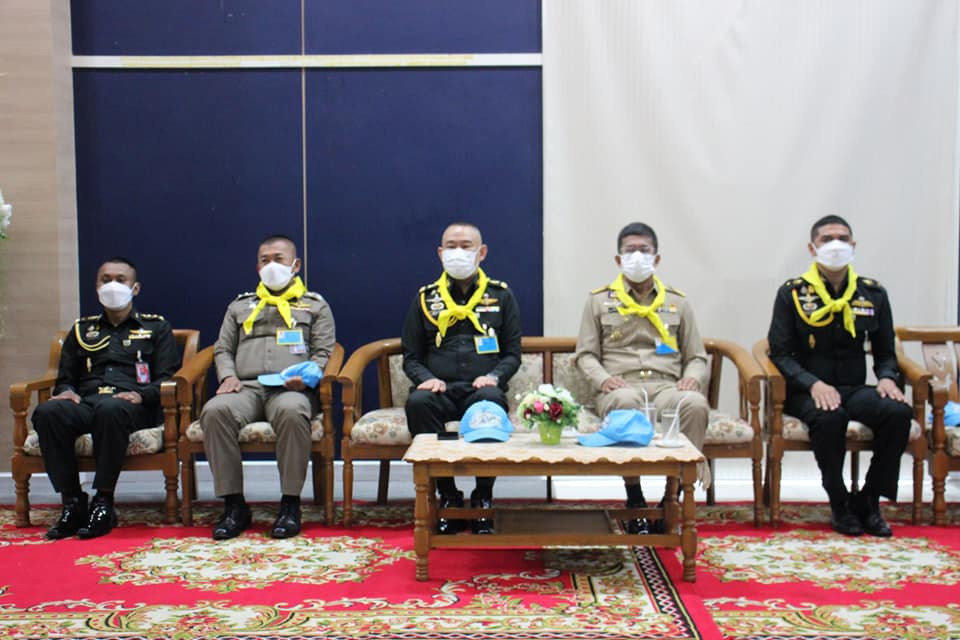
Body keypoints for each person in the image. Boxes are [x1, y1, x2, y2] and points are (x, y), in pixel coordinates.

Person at [767, 215, 911, 537]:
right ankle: (839, 501)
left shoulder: (872, 293)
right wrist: (813, 384)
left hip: (853, 387)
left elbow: (886, 351)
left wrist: (887, 377)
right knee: (830, 417)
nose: (836, 245)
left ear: (853, 245)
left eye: (843, 239)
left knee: (898, 412)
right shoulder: (792, 294)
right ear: (812, 248)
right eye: (827, 239)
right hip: (806, 391)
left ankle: (869, 499)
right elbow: (780, 353)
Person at [575, 222, 710, 534]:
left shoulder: (678, 302)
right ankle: (634, 498)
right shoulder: (599, 300)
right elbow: (585, 354)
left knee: (694, 404)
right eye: (630, 251)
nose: (637, 256)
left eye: (644, 250)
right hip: (620, 385)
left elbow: (697, 356)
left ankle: (671, 497)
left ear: (656, 258)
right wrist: (603, 380)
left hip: (666, 386)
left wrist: (692, 378)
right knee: (626, 402)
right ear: (618, 259)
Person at [32, 257, 179, 540]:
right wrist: (66, 392)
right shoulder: (81, 330)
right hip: (87, 403)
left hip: (133, 406)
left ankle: (103, 501)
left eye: (120, 280)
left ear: (135, 288)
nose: (113, 285)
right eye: (106, 279)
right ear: (97, 286)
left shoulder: (156, 328)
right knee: (48, 412)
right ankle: (73, 502)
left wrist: (141, 395)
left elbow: (167, 378)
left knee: (111, 409)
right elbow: (65, 377)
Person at [200, 234, 335, 540]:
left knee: (292, 412)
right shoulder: (240, 305)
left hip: (291, 389)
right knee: (214, 411)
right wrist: (227, 376)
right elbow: (223, 349)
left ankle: (290, 505)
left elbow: (324, 352)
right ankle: (234, 506)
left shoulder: (315, 305)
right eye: (265, 260)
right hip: (245, 388)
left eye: (279, 259)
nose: (271, 265)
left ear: (295, 265)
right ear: (257, 267)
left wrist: (308, 378)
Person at [402, 222, 522, 534]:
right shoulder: (426, 299)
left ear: (482, 252)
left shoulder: (501, 295)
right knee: (418, 402)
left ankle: (483, 496)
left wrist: (494, 376)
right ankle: (449, 496)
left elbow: (512, 354)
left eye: (466, 246)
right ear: (440, 253)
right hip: (439, 391)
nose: (458, 252)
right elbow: (411, 356)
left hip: (480, 390)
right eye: (451, 246)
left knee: (491, 400)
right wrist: (426, 378)